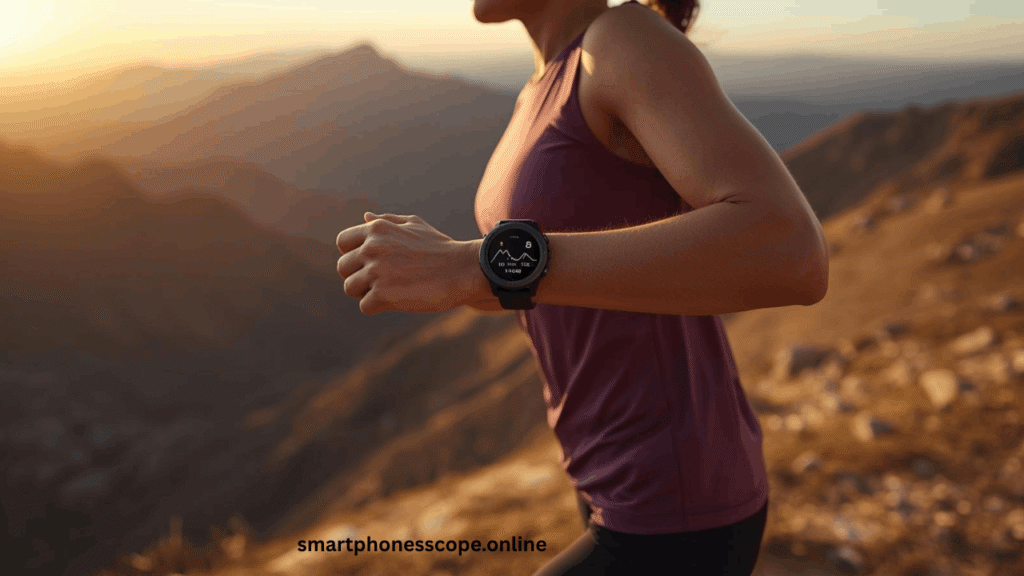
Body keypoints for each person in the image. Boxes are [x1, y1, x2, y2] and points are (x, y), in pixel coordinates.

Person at [336, 0, 829, 574]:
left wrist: (476, 265)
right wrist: (456, 276)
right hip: (609, 477)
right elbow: (568, 279)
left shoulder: (620, 42)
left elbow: (788, 248)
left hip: (676, 494)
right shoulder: (546, 84)